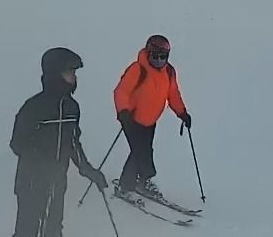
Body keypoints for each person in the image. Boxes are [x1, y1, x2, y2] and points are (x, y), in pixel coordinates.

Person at [10, 48, 108, 237]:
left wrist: (88, 170)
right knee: (28, 230)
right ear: (55, 75)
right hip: (32, 183)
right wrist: (42, 162)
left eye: (74, 73)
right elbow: (17, 143)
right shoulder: (34, 107)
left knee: (53, 229)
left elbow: (73, 143)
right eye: (69, 72)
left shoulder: (72, 108)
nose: (73, 77)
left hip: (56, 182)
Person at [112, 35, 190, 199]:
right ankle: (126, 187)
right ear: (148, 53)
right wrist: (123, 112)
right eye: (155, 56)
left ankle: (142, 180)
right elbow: (121, 91)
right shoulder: (137, 69)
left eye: (163, 57)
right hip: (132, 119)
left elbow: (173, 94)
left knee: (145, 149)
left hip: (151, 120)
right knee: (139, 151)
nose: (159, 60)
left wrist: (182, 113)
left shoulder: (169, 72)